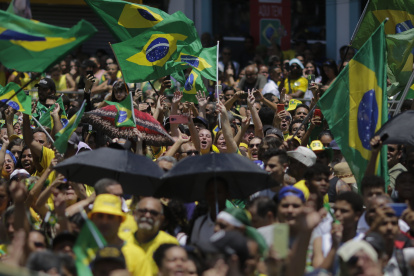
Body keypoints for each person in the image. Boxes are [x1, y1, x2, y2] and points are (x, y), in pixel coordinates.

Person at [89, 194, 152, 276]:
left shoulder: (136, 255)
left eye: (110, 217)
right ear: (92, 219)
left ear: (120, 221)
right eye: (100, 216)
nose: (104, 222)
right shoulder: (81, 252)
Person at [128, 197, 178, 276]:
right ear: (134, 214)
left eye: (153, 213)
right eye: (143, 211)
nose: (147, 215)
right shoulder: (122, 240)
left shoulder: (170, 244)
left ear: (162, 219)